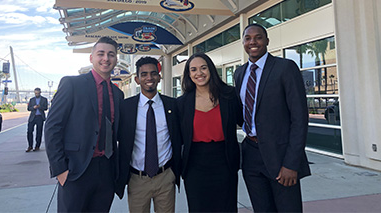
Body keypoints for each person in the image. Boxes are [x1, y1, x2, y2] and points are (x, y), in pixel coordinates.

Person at [234, 23, 311, 212]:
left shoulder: (285, 68)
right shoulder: (240, 73)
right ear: (243, 42)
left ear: (267, 41)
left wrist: (291, 164)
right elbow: (240, 113)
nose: (253, 42)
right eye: (248, 38)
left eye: (258, 37)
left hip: (281, 156)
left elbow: (299, 119)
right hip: (251, 154)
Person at [44, 37, 124, 213]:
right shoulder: (72, 84)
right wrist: (60, 170)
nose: (106, 58)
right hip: (76, 170)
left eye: (111, 55)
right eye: (100, 54)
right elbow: (52, 127)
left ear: (116, 59)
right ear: (91, 58)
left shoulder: (118, 94)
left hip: (106, 170)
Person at [177, 53, 242, 212]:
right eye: (193, 70)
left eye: (203, 68)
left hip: (224, 161)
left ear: (211, 70)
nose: (199, 73)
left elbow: (245, 121)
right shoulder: (182, 103)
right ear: (189, 74)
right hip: (195, 165)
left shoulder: (229, 95)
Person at [116, 56, 181, 213]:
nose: (149, 78)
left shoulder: (172, 105)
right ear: (137, 79)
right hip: (137, 179)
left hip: (165, 177)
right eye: (144, 74)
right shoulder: (125, 107)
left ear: (159, 77)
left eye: (153, 73)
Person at [26, 87, 48, 152]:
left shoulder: (44, 99)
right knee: (29, 131)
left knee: (39, 132)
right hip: (32, 117)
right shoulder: (32, 99)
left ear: (40, 93)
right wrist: (34, 107)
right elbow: (28, 108)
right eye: (35, 93)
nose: (36, 94)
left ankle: (37, 146)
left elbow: (46, 108)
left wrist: (40, 107)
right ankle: (30, 146)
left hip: (40, 117)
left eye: (38, 93)